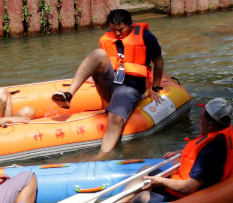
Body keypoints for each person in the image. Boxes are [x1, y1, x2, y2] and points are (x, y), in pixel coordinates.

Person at [51, 8, 168, 155]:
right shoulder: (110, 37)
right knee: (98, 53)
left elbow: (158, 63)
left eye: (121, 29)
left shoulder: (146, 37)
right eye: (113, 30)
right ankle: (69, 95)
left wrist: (155, 88)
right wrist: (95, 75)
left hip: (130, 87)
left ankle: (101, 157)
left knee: (115, 119)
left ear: (130, 25)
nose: (117, 34)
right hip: (110, 82)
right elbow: (107, 62)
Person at [114, 98, 233, 203]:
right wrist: (182, 152)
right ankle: (118, 202)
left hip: (188, 196)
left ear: (210, 125)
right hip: (183, 184)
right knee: (146, 169)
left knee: (143, 197)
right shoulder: (218, 135)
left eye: (200, 116)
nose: (198, 119)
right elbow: (199, 154)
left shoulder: (210, 153)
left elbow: (188, 188)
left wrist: (161, 181)